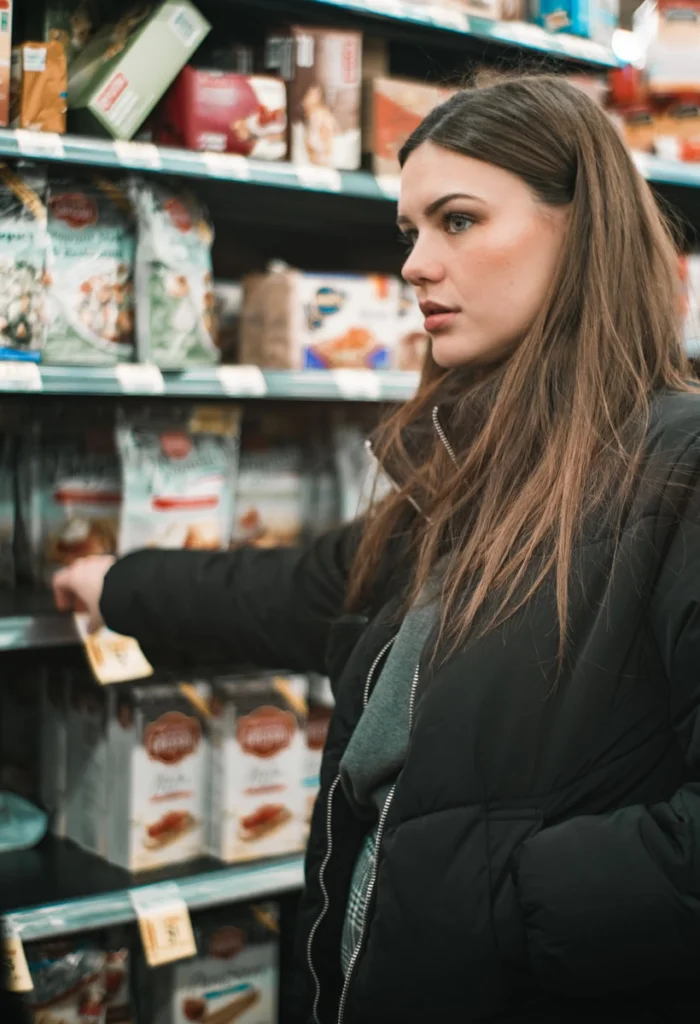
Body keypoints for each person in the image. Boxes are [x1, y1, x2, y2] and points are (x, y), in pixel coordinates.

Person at [53, 75, 700, 1024]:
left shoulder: (678, 468)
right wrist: (117, 582)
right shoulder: (479, 466)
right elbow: (305, 592)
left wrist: (521, 904)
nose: (415, 267)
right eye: (411, 232)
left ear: (581, 229)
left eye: (459, 221)